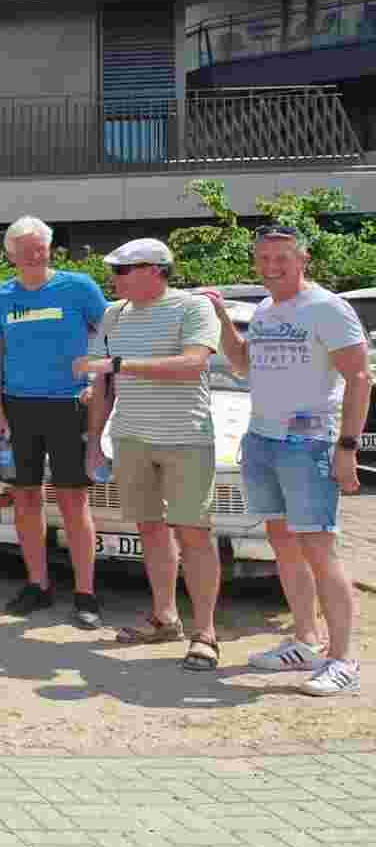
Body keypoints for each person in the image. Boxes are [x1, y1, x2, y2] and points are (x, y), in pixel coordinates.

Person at [211, 226, 368, 696]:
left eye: (281, 257)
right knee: (283, 542)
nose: (271, 265)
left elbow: (360, 378)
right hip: (263, 439)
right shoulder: (264, 308)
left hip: (310, 443)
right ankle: (304, 639)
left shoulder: (327, 308)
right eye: (263, 257)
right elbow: (241, 365)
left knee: (319, 548)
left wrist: (347, 449)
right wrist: (221, 317)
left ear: (303, 258)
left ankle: (343, 659)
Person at [75, 238, 223, 669]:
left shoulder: (193, 308)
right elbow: (102, 386)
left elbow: (194, 363)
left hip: (186, 438)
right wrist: (94, 444)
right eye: (114, 270)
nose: (114, 278)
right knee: (150, 529)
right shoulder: (113, 314)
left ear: (155, 270)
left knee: (193, 533)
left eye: (122, 270)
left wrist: (119, 365)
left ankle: (206, 633)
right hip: (131, 438)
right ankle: (165, 618)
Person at [0, 218, 108, 624]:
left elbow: (111, 336)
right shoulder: (2, 297)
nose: (35, 254)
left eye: (41, 247)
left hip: (70, 405)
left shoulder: (79, 287)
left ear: (50, 248)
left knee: (74, 500)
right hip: (19, 407)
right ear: (11, 254)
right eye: (26, 249)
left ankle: (86, 593)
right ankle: (38, 585)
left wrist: (97, 379)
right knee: (26, 497)